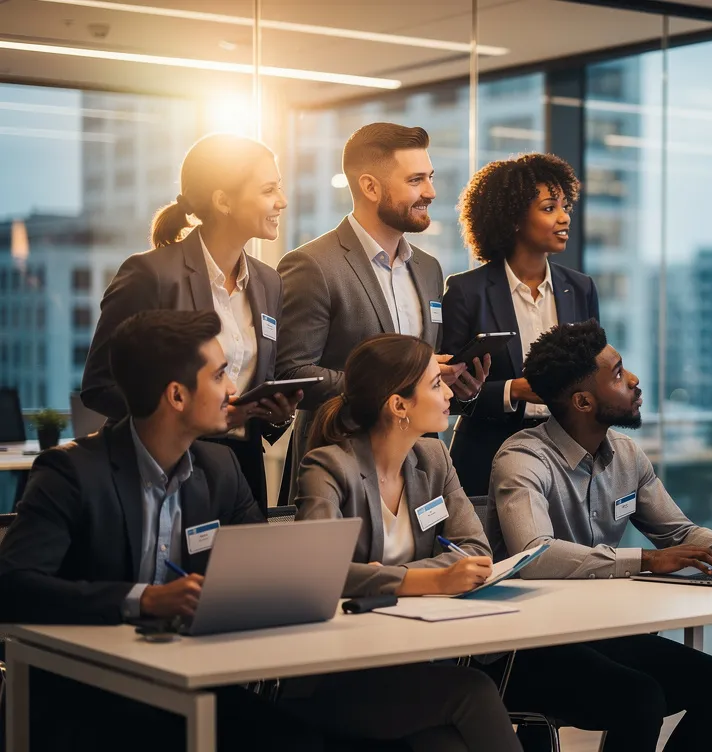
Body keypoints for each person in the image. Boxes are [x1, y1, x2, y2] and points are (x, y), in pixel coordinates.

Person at [0, 311, 317, 751]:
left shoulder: (219, 468)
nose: (233, 391)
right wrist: (143, 599)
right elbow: (13, 587)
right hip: (90, 697)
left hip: (194, 680)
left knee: (306, 739)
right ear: (177, 395)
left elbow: (262, 568)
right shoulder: (71, 473)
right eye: (220, 374)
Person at [488, 320, 712, 752]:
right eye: (617, 374)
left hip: (601, 631)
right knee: (641, 698)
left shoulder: (627, 454)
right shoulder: (522, 458)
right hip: (530, 647)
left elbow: (680, 533)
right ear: (582, 401)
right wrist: (647, 560)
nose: (633, 380)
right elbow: (533, 553)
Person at [288, 333, 523, 751]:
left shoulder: (433, 458)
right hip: (340, 676)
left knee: (448, 743)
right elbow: (317, 574)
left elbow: (475, 552)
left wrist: (384, 577)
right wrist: (432, 580)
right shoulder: (327, 466)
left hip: (408, 661)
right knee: (475, 691)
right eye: (436, 384)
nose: (449, 392)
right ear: (399, 405)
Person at [81, 133, 301, 505]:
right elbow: (99, 385)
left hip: (241, 470)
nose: (282, 201)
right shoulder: (151, 275)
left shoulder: (268, 281)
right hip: (160, 468)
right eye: (268, 190)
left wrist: (275, 414)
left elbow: (253, 386)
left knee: (244, 565)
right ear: (223, 200)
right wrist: (188, 418)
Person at [277, 122, 488, 493]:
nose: (431, 191)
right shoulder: (313, 265)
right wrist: (396, 382)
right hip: (337, 471)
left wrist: (454, 384)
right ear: (370, 187)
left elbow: (422, 371)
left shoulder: (428, 268)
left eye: (431, 177)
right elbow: (292, 372)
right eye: (415, 180)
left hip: (418, 471)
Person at [441, 153, 599, 496]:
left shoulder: (581, 288)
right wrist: (513, 390)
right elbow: (448, 393)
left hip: (565, 457)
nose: (564, 217)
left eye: (565, 206)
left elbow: (593, 372)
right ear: (513, 218)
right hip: (486, 458)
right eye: (549, 208)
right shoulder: (466, 292)